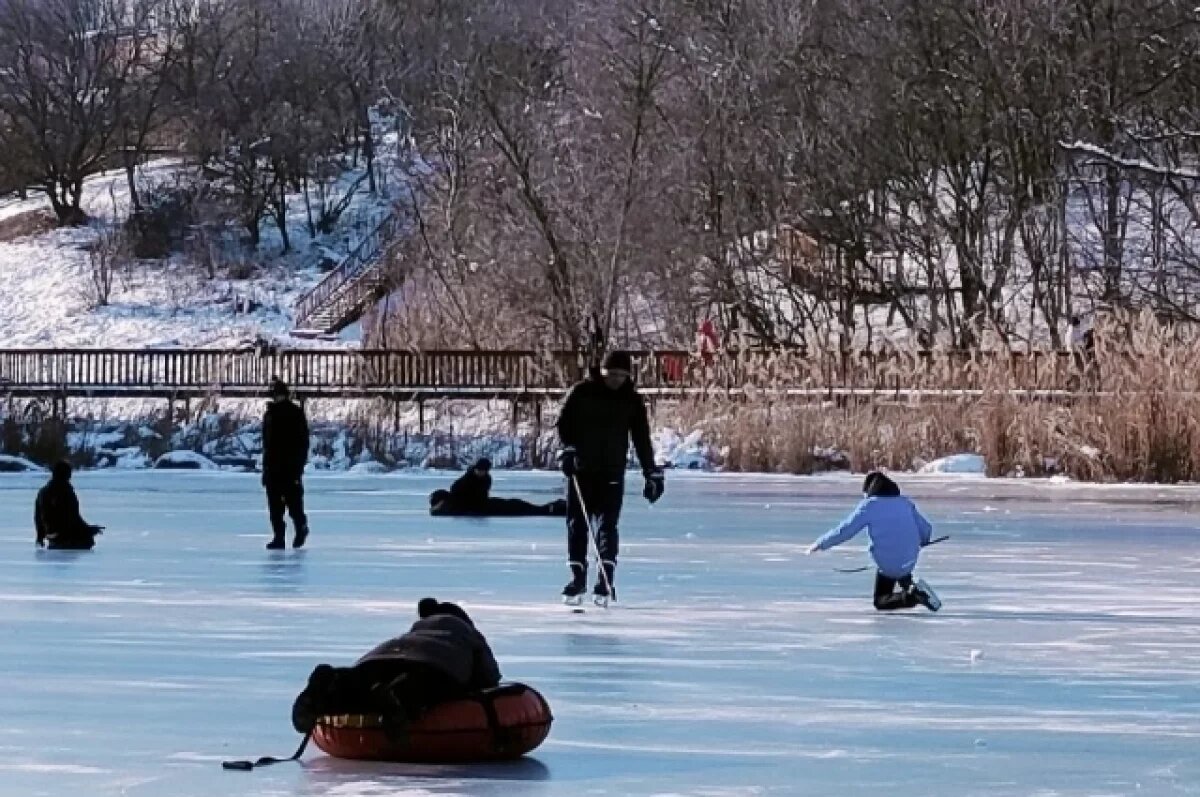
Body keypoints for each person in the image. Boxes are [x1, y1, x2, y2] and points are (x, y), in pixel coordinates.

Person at [290, 597, 502, 734]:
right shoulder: (468, 633)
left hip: (385, 655)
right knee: (425, 684)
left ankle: (332, 683)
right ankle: (400, 694)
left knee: (363, 682)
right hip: (434, 664)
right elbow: (488, 676)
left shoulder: (416, 630)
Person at [557, 350, 665, 603]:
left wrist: (650, 472)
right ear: (602, 372)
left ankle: (606, 578)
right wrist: (567, 450)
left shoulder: (631, 400)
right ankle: (577, 577)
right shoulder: (581, 392)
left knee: (607, 525)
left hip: (612, 471)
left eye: (621, 375)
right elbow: (563, 424)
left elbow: (641, 438)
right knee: (577, 523)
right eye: (611, 374)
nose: (616, 380)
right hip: (581, 470)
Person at [806, 471, 941, 612]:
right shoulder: (905, 503)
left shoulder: (869, 506)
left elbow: (845, 530)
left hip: (887, 562)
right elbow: (926, 528)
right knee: (899, 566)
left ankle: (912, 596)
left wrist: (821, 543)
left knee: (880, 601)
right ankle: (911, 587)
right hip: (909, 559)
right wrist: (924, 540)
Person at [261, 378, 310, 550]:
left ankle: (299, 528)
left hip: (289, 465)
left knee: (292, 503)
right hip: (275, 465)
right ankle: (280, 536)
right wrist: (266, 467)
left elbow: (303, 441)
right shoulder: (270, 414)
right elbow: (267, 444)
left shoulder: (293, 413)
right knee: (276, 505)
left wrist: (299, 464)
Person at [429, 458, 567, 517]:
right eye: (480, 470)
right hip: (485, 508)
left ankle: (553, 507)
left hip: (486, 506)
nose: (481, 473)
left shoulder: (486, 479)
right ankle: (552, 508)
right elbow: (446, 510)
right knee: (519, 508)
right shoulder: (458, 487)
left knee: (518, 505)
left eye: (484, 471)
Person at [35, 461, 102, 550]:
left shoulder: (43, 492)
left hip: (50, 534)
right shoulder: (65, 491)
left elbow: (38, 517)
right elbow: (71, 518)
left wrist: (40, 536)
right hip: (64, 535)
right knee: (88, 540)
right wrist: (88, 530)